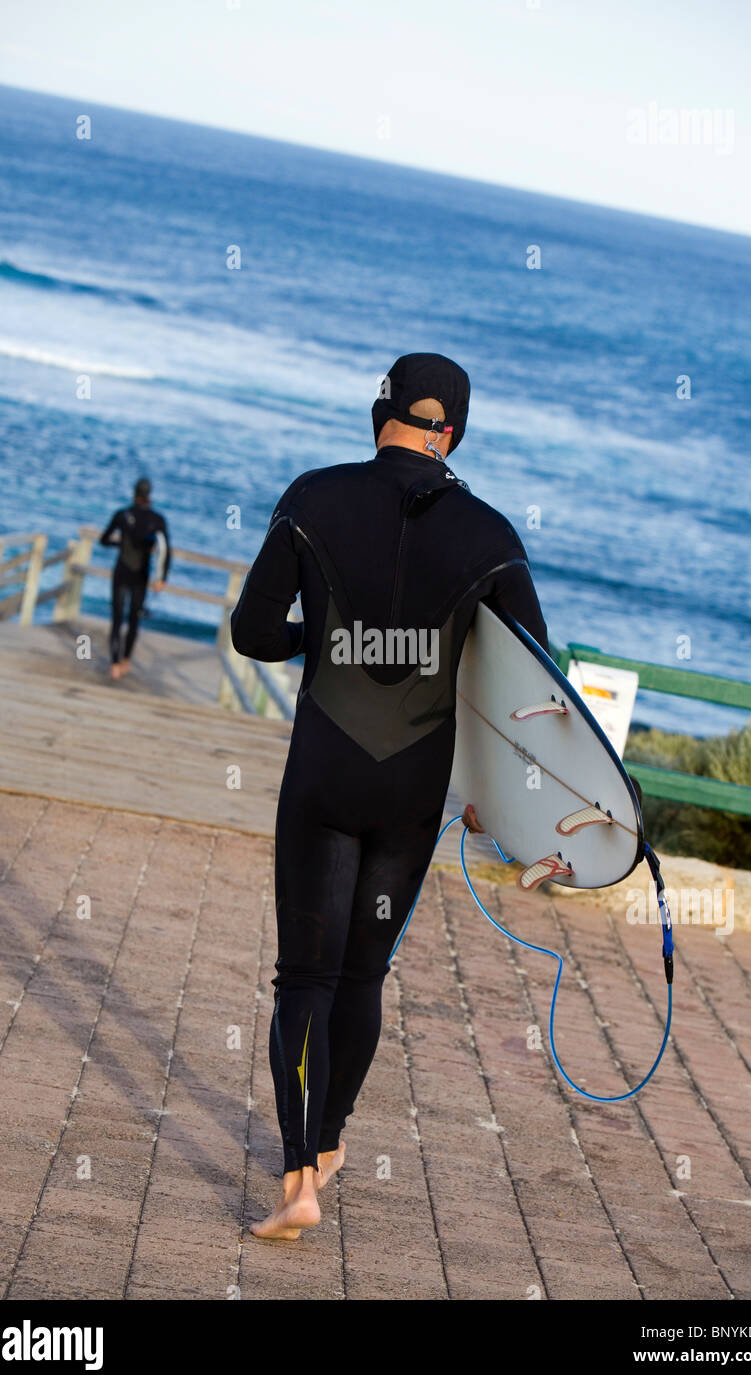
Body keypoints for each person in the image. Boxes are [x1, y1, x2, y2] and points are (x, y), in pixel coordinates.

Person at [231, 353, 549, 1239]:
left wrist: (324, 637)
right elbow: (531, 681)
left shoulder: (314, 497)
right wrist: (497, 796)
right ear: (458, 433)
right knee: (362, 975)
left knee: (305, 978)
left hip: (325, 773)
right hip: (412, 790)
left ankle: (299, 1180)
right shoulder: (490, 535)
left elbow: (254, 632)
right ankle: (329, 1141)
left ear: (380, 414)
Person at [99, 478, 171, 680]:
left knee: (116, 618)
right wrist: (161, 578)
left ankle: (113, 664)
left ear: (134, 493)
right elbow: (165, 550)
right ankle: (125, 661)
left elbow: (104, 540)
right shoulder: (157, 520)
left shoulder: (122, 515)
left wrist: (120, 544)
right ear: (150, 495)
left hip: (121, 572)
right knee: (133, 619)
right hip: (141, 575)